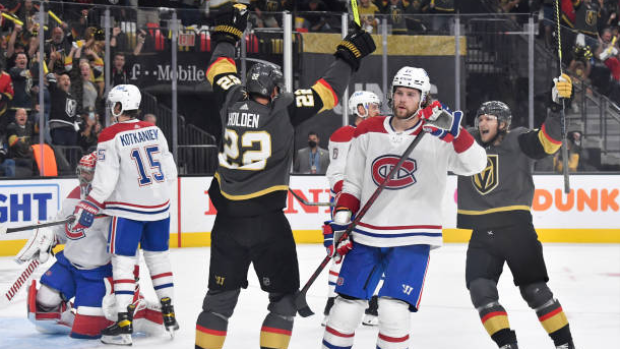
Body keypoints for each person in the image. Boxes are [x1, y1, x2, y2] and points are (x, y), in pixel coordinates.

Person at [195, 2, 375, 349]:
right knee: (282, 301)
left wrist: (227, 34)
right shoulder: (284, 108)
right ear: (275, 91)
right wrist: (350, 52)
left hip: (227, 223)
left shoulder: (231, 97)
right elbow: (328, 90)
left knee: (218, 300)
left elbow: (219, 66)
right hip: (267, 223)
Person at [321, 66, 487, 349]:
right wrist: (341, 222)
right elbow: (353, 185)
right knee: (343, 310)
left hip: (414, 235)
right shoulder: (367, 130)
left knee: (393, 312)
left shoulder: (439, 135)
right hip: (366, 232)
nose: (402, 99)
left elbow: (476, 165)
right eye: (399, 92)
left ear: (422, 99)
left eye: (411, 94)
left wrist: (458, 135)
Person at [456, 74, 577, 349]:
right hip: (482, 231)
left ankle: (565, 345)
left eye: (490, 118)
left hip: (516, 230)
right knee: (480, 290)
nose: (482, 122)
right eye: (480, 118)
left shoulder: (517, 139)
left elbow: (547, 142)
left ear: (504, 124)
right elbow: (442, 141)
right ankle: (507, 345)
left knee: (535, 292)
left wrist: (558, 108)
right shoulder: (468, 143)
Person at [69, 84, 179, 345]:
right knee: (159, 260)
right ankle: (170, 316)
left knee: (123, 264)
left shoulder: (110, 134)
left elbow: (105, 180)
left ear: (119, 107)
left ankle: (124, 326)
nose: (111, 110)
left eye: (113, 106)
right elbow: (171, 171)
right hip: (159, 209)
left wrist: (91, 204)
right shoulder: (154, 130)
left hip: (128, 212)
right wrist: (155, 196)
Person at [15, 152, 164, 339]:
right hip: (69, 265)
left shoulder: (117, 206)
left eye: (89, 173)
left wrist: (127, 289)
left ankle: (142, 313)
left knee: (87, 332)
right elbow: (61, 227)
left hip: (97, 274)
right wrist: (47, 239)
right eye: (82, 171)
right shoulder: (74, 195)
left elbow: (127, 252)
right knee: (42, 308)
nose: (84, 177)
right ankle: (75, 317)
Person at [322, 90, 381, 327]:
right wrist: (351, 194)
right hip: (348, 203)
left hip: (373, 204)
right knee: (341, 251)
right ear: (360, 109)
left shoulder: (381, 133)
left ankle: (372, 303)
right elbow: (335, 172)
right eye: (373, 106)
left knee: (377, 251)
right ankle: (331, 304)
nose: (378, 110)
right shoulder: (344, 134)